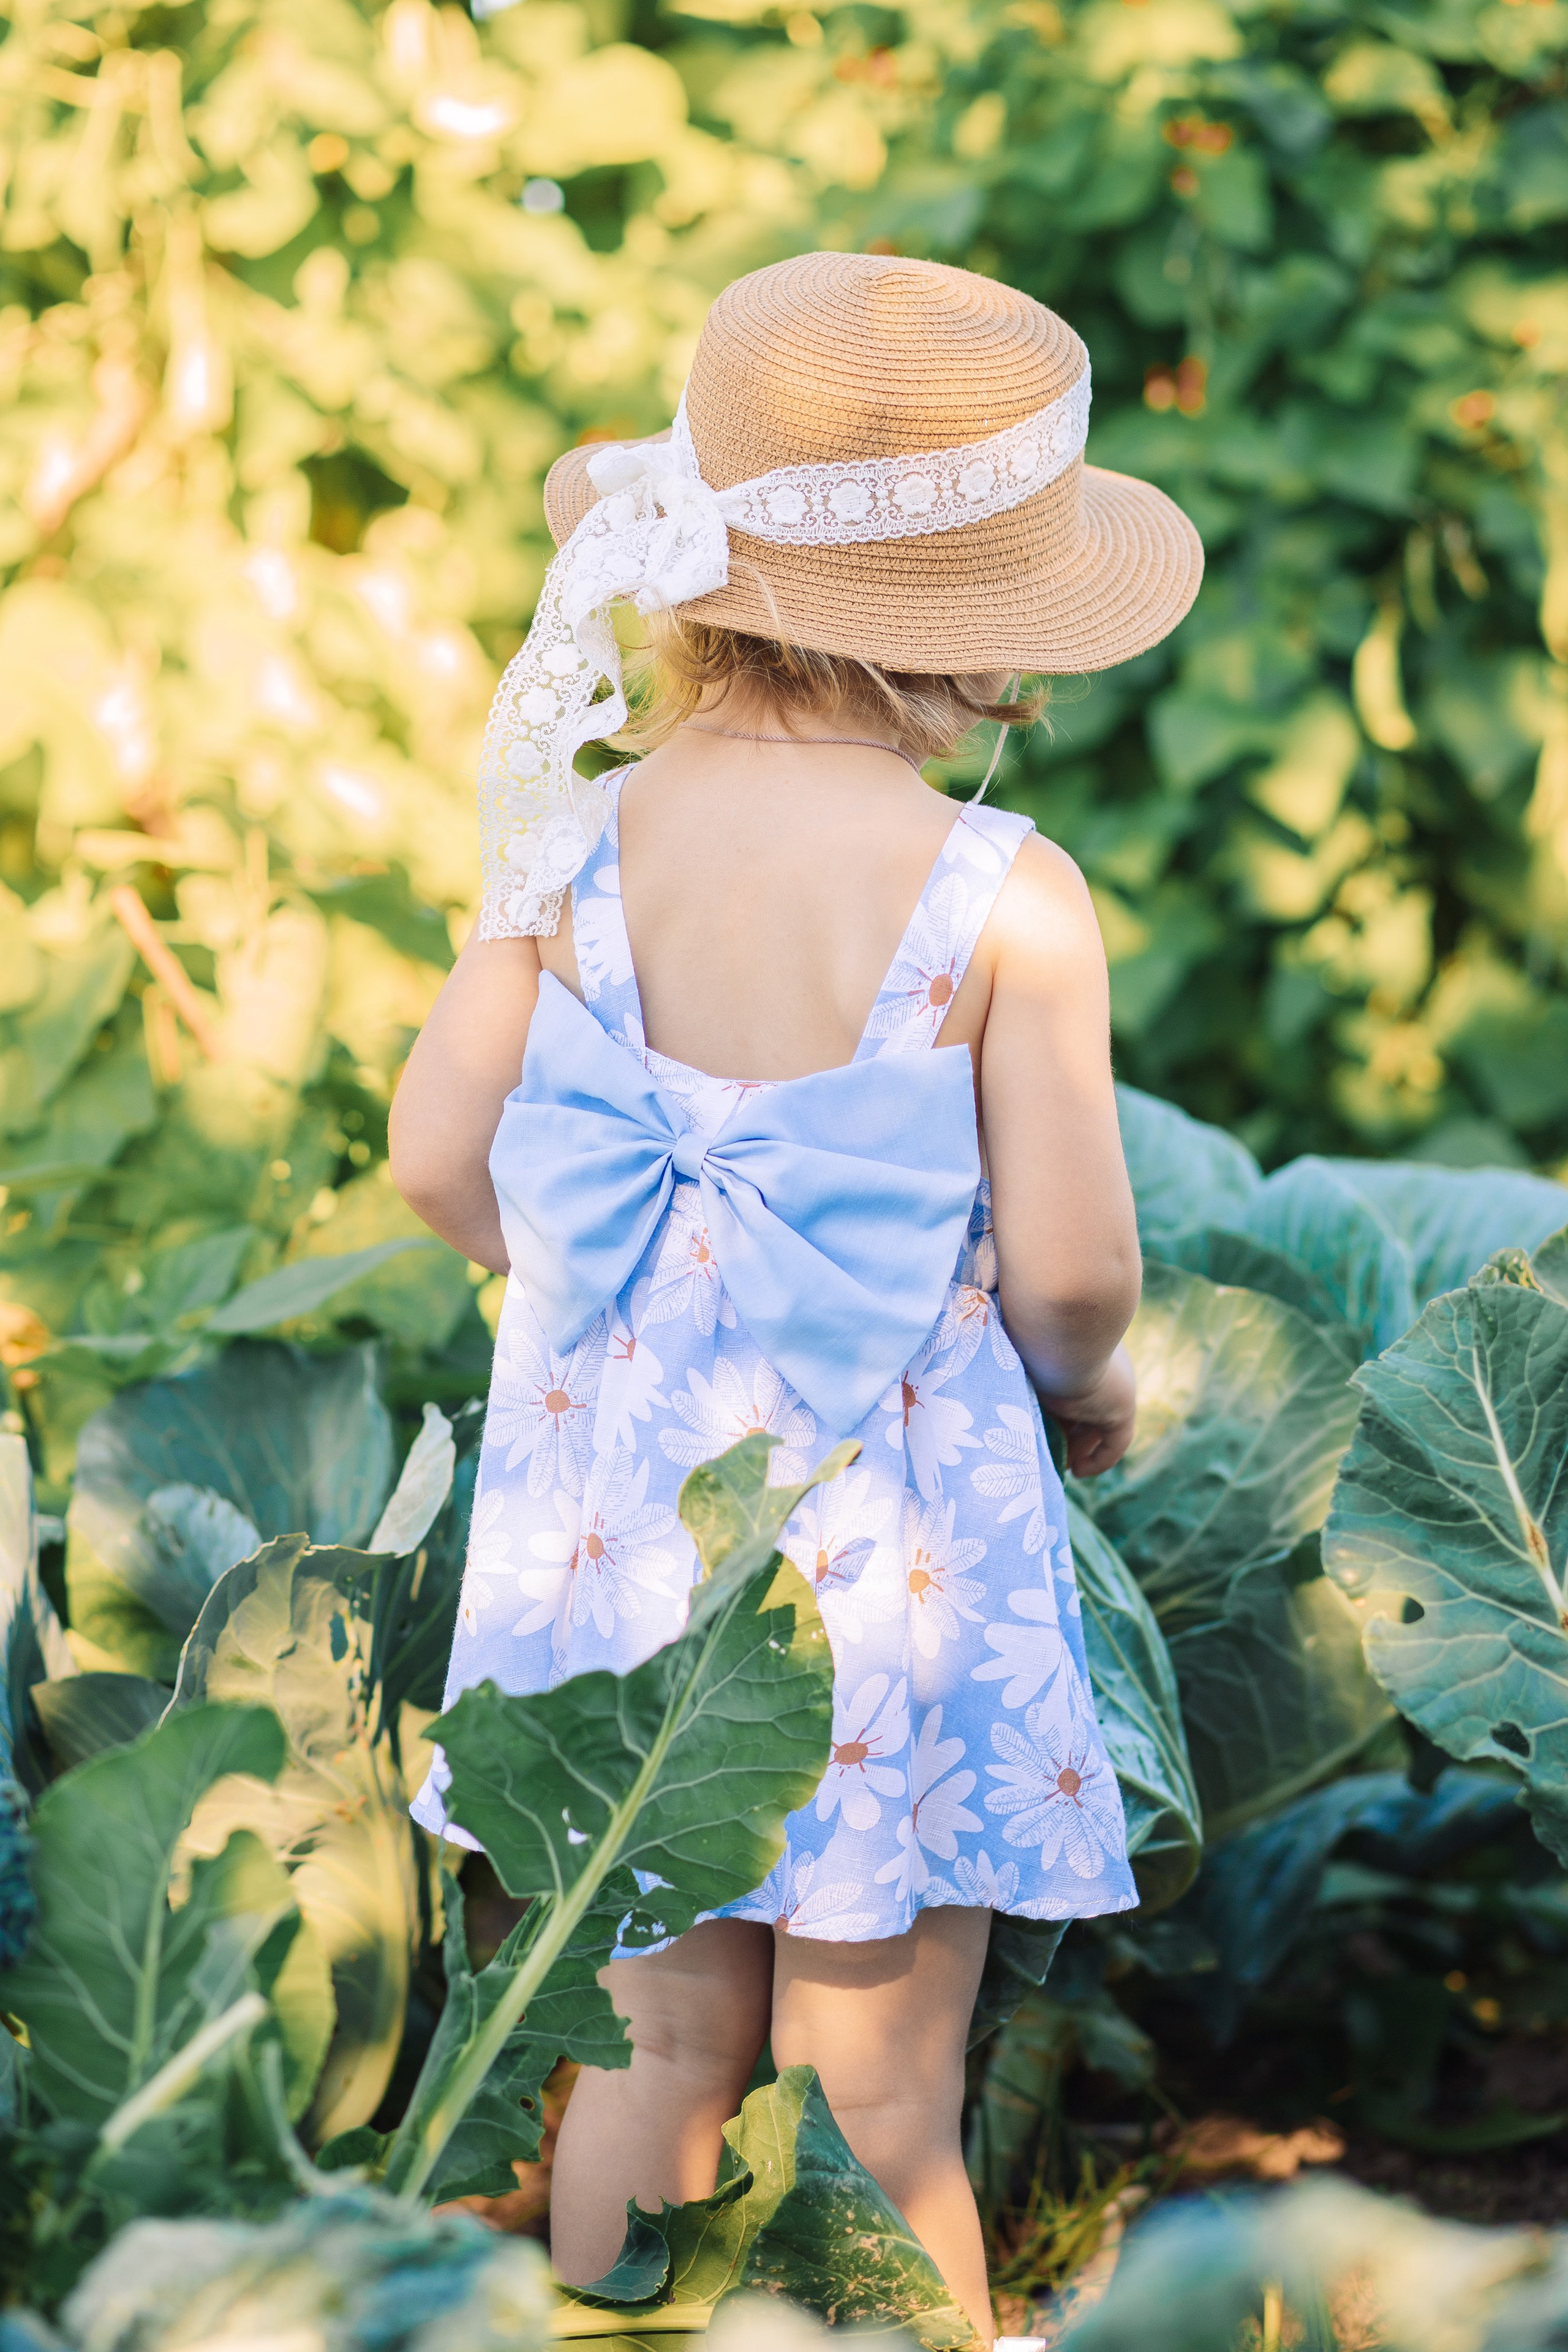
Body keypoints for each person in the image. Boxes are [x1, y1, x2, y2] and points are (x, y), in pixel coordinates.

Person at [390, 250, 1201, 2344]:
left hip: (617, 1549)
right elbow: (1083, 1267)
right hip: (887, 1556)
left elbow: (432, 1158)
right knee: (886, 2094)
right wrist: (1086, 1387)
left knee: (650, 2058)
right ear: (986, 646)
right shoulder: (999, 894)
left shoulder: (566, 853)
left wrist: (582, 1289)